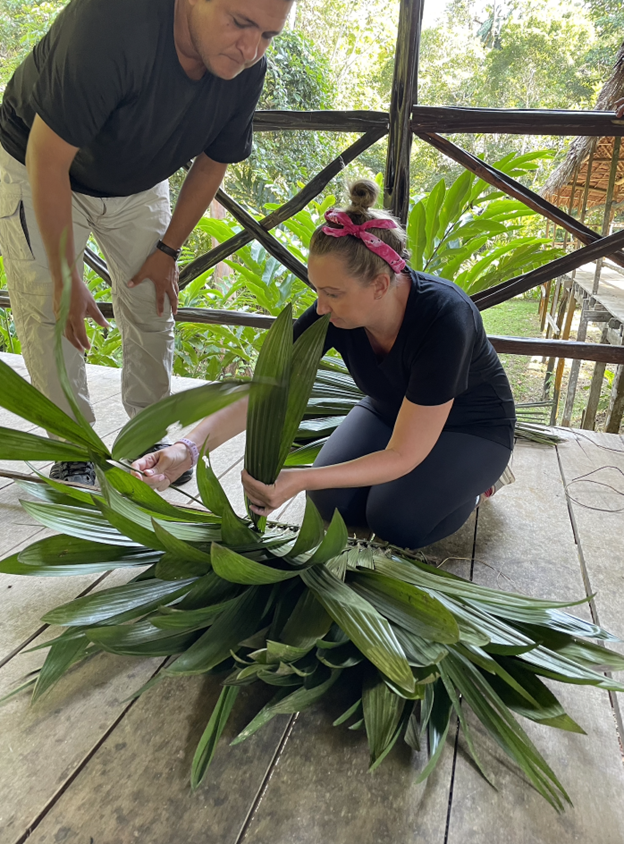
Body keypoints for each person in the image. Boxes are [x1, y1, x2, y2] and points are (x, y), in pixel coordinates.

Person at [133, 180, 516, 550]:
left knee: (397, 521)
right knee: (329, 503)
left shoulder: (445, 317)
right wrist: (188, 448)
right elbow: (264, 390)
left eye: (333, 293)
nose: (320, 306)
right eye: (317, 290)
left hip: (470, 427)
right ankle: (408, 484)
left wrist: (299, 477)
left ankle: (478, 484)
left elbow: (404, 454)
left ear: (381, 286)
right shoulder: (334, 312)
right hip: (388, 412)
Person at [0, 0, 292, 486]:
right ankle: (74, 446)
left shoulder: (248, 63)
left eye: (267, 36)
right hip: (39, 164)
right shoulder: (111, 20)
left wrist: (168, 251)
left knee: (153, 301)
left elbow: (212, 162)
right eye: (240, 23)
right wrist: (66, 276)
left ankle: (148, 433)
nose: (250, 49)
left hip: (137, 178)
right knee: (51, 309)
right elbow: (47, 157)